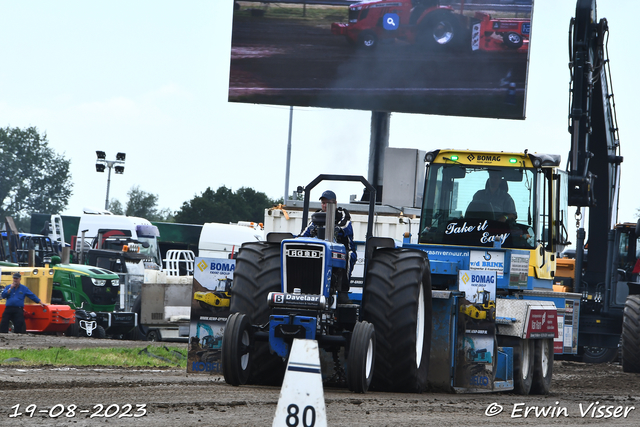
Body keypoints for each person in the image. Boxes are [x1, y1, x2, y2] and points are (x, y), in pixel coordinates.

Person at [302, 190, 357, 279]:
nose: (325, 205)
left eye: (328, 203)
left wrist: (335, 228)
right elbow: (306, 232)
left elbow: (345, 226)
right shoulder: (318, 215)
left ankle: (343, 289)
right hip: (322, 249)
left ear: (335, 203)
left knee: (349, 256)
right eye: (323, 203)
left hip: (342, 249)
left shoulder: (342, 214)